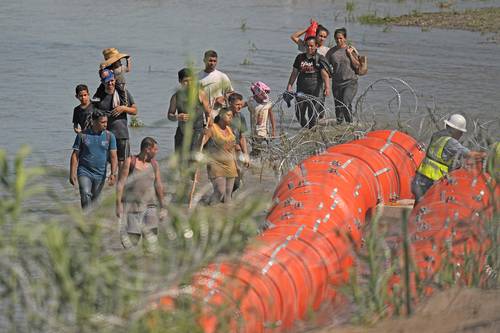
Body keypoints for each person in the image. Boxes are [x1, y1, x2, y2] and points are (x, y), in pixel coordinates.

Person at [411, 114, 486, 203]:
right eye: (461, 132)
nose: (462, 134)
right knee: (431, 207)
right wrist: (487, 155)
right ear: (455, 130)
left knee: (418, 206)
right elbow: (469, 154)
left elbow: (440, 157)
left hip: (420, 177)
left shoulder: (437, 135)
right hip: (432, 181)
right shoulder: (451, 142)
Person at [116, 137, 166, 249]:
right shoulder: (130, 162)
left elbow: (158, 185)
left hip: (150, 206)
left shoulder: (154, 164)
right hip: (133, 207)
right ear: (147, 149)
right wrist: (118, 205)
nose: (157, 152)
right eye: (155, 149)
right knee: (132, 242)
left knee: (151, 240)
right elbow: (120, 184)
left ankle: (148, 263)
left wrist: (163, 206)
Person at [69, 110, 118, 209]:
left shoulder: (110, 136)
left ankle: (93, 221)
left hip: (100, 173)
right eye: (102, 122)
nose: (105, 124)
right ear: (94, 122)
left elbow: (113, 157)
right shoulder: (82, 135)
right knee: (85, 194)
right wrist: (72, 173)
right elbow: (75, 155)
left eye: (106, 122)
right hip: (84, 171)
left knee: (96, 200)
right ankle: (86, 218)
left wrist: (113, 173)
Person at [93, 69, 137, 170]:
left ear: (114, 79)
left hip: (121, 134)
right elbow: (93, 116)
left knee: (123, 162)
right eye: (107, 81)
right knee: (104, 162)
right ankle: (107, 183)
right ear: (102, 82)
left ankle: (121, 185)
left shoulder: (123, 93)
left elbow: (135, 111)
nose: (110, 83)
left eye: (112, 80)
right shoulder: (99, 96)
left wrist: (123, 108)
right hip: (104, 135)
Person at [287, 36, 331, 129]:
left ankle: (311, 132)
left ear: (316, 46)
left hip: (316, 91)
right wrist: (289, 86)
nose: (309, 48)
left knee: (312, 115)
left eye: (311, 46)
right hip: (301, 90)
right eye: (307, 46)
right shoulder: (300, 58)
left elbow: (325, 75)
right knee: (299, 113)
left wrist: (327, 87)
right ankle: (305, 129)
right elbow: (294, 73)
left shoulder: (320, 59)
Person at [167, 68, 211, 156]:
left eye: (191, 80)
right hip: (182, 131)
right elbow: (169, 115)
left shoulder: (200, 94)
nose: (189, 84)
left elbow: (208, 113)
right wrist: (177, 117)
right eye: (186, 81)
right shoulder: (176, 97)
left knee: (193, 162)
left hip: (197, 131)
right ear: (180, 81)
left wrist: (207, 129)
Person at [201, 109, 238, 204]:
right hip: (215, 163)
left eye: (232, 116)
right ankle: (207, 207)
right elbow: (200, 145)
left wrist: (236, 165)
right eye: (228, 115)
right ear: (221, 115)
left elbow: (232, 149)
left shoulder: (230, 129)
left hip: (230, 164)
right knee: (220, 191)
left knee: (228, 195)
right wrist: (202, 134)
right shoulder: (212, 128)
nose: (231, 118)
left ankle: (227, 215)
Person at [325, 27, 360, 124]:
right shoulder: (331, 52)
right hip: (336, 83)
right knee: (338, 107)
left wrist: (350, 55)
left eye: (340, 38)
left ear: (345, 38)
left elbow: (357, 65)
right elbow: (325, 66)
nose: (338, 40)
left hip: (350, 82)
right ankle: (339, 128)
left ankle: (350, 125)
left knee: (345, 102)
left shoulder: (350, 50)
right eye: (336, 38)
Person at [198, 50, 233, 118]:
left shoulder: (222, 76)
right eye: (210, 60)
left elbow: (232, 93)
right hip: (202, 115)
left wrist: (223, 98)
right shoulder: (198, 77)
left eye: (214, 61)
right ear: (204, 60)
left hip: (218, 114)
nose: (212, 63)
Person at [226, 93, 250, 192]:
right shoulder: (224, 116)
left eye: (240, 104)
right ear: (230, 103)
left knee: (238, 180)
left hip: (236, 150)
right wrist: (234, 145)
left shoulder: (241, 116)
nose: (239, 107)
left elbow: (241, 136)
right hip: (225, 151)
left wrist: (246, 154)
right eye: (237, 105)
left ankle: (225, 198)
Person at [247, 81, 276, 156]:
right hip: (254, 132)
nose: (264, 96)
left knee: (265, 150)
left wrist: (273, 130)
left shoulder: (267, 104)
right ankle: (251, 161)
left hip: (264, 132)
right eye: (263, 93)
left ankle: (269, 162)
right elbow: (241, 105)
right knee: (255, 151)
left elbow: (271, 117)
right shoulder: (251, 102)